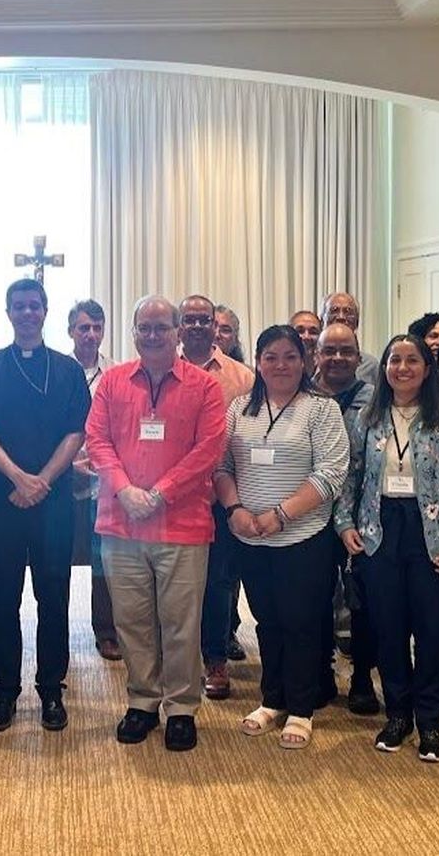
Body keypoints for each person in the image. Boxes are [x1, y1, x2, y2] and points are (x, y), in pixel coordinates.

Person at [86, 295, 227, 752]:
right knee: (133, 620)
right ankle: (143, 700)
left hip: (182, 526)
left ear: (178, 332)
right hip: (121, 523)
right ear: (133, 332)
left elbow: (208, 450)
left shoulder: (204, 387)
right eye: (144, 328)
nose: (152, 335)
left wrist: (160, 492)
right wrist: (126, 489)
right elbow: (97, 440)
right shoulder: (111, 382)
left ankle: (181, 706)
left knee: (180, 622)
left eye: (161, 328)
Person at [334, 333, 439, 763]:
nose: (402, 367)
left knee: (433, 631)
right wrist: (344, 525)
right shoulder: (367, 418)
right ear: (384, 368)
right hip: (379, 531)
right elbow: (351, 477)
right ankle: (397, 714)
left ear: (427, 369)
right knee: (389, 629)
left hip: (431, 533)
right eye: (394, 360)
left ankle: (430, 721)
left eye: (412, 360)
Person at [215, 325, 348, 749]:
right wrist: (235, 510)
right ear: (257, 361)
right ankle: (272, 700)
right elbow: (221, 467)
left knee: (302, 623)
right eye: (270, 356)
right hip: (250, 537)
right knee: (267, 622)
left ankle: (303, 709)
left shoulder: (321, 410)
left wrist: (280, 514)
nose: (280, 365)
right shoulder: (239, 408)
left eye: (290, 356)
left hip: (303, 536)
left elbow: (330, 474)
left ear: (305, 361)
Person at [0, 280, 90, 733]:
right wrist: (19, 477)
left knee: (53, 597)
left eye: (33, 305)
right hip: (1, 500)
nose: (26, 312)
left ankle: (52, 690)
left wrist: (42, 480)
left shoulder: (66, 369)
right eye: (18, 306)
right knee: (0, 597)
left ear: (44, 310)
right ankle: (3, 692)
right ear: (8, 310)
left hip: (52, 501)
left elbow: (76, 431)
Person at [177, 294, 254, 701]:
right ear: (178, 325)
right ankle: (175, 660)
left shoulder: (242, 378)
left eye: (203, 319)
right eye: (187, 319)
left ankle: (215, 659)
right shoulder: (160, 370)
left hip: (222, 496)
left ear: (215, 326)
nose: (195, 326)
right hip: (171, 499)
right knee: (173, 583)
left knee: (219, 582)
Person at [313, 321, 379, 715]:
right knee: (316, 596)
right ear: (316, 355)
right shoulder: (301, 396)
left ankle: (362, 679)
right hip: (313, 513)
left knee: (364, 601)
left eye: (345, 352)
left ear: (358, 357)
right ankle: (321, 670)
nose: (337, 358)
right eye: (329, 351)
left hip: (363, 516)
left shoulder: (376, 400)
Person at [69, 300, 120, 660]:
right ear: (70, 330)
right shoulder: (55, 370)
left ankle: (106, 631)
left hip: (105, 481)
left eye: (97, 327)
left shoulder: (118, 373)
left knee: (105, 559)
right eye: (84, 327)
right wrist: (69, 461)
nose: (91, 334)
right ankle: (54, 633)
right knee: (57, 559)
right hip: (62, 478)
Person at [322, 292, 380, 383]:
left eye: (348, 311)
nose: (341, 317)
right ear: (322, 321)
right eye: (334, 310)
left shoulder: (370, 365)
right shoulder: (312, 363)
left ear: (356, 322)